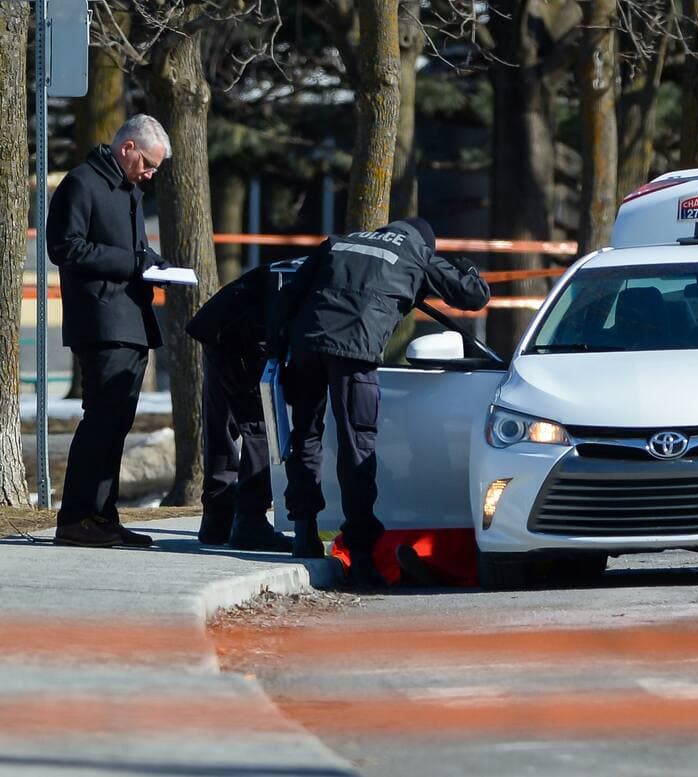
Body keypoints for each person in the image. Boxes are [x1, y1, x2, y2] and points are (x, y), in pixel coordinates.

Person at [273, 218, 490, 585]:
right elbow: (474, 295)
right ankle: (361, 557)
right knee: (357, 446)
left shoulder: (340, 242)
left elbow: (290, 294)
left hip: (306, 342)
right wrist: (466, 265)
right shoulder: (416, 252)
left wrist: (282, 349)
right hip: (355, 348)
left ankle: (304, 530)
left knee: (305, 434)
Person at [47, 114, 172, 548]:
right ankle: (77, 518)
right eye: (148, 164)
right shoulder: (83, 183)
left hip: (131, 321)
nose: (151, 173)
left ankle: (102, 516)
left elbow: (130, 250)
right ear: (128, 149)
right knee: (101, 422)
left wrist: (152, 262)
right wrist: (133, 264)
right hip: (102, 321)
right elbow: (65, 246)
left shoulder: (128, 190)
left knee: (116, 424)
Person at [186, 262, 299, 552]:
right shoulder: (349, 273)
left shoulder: (327, 262)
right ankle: (250, 521)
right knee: (261, 424)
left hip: (221, 323)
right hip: (246, 331)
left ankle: (217, 518)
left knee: (222, 420)